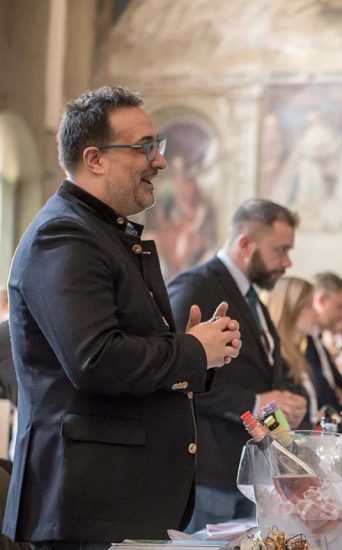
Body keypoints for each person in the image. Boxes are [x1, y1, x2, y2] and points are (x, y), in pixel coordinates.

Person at [4, 86, 242, 545]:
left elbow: (123, 350)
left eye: (158, 145)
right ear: (94, 159)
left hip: (115, 503)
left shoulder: (101, 232)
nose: (160, 161)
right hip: (87, 508)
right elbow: (95, 359)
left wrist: (196, 350)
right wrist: (192, 351)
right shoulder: (64, 236)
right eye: (144, 147)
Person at [167, 199, 308, 531]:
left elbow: (258, 372)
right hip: (208, 471)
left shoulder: (250, 297)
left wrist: (281, 403)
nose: (287, 262)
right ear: (246, 244)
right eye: (280, 250)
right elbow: (174, 372)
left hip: (246, 472)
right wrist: (255, 402)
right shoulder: (197, 286)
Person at [304, 272, 342, 414]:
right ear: (321, 300)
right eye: (340, 306)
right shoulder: (303, 340)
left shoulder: (318, 342)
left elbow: (335, 382)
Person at [268, 276, 326, 426]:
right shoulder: (274, 358)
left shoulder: (298, 355)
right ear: (291, 308)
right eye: (309, 306)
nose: (316, 314)